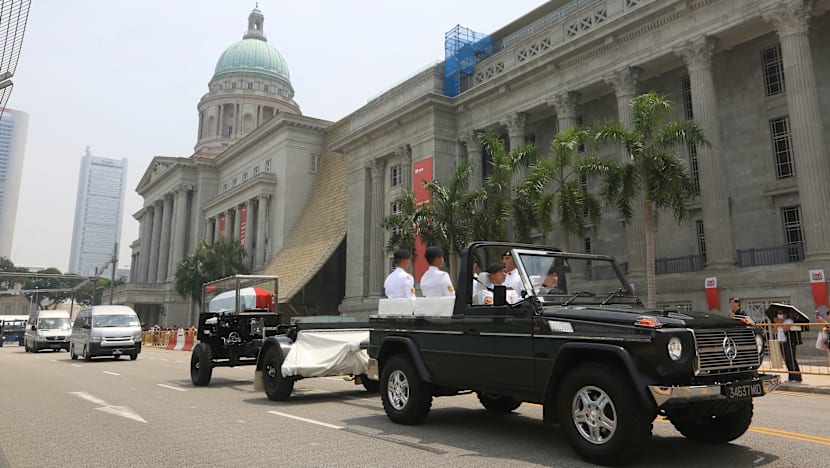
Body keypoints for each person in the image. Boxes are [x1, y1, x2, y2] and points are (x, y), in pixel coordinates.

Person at [773, 311, 802, 383]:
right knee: (786, 360)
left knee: (791, 359)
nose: (779, 315)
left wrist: (780, 322)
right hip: (781, 342)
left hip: (789, 342)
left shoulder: (789, 321)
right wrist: (777, 324)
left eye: (781, 313)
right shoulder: (777, 322)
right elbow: (774, 330)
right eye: (778, 314)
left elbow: (787, 328)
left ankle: (797, 377)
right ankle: (791, 376)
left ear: (785, 314)